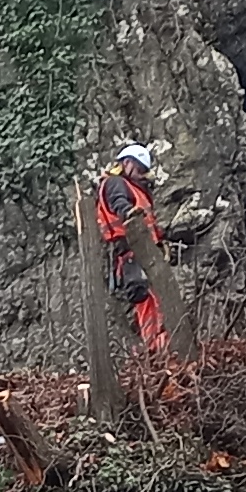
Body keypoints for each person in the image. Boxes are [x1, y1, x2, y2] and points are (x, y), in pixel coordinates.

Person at [98, 143, 168, 351]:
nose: (142, 175)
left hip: (144, 250)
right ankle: (155, 348)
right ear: (127, 163)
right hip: (132, 250)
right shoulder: (116, 183)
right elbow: (120, 204)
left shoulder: (136, 189)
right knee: (146, 298)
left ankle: (159, 346)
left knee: (155, 299)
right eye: (139, 170)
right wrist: (130, 215)